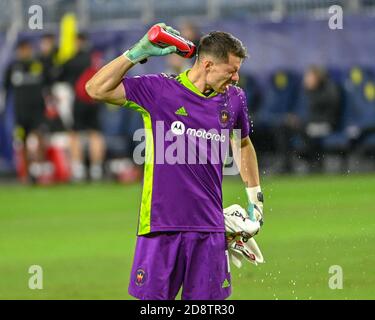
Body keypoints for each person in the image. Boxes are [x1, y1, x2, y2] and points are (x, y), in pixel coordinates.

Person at [86, 23, 264, 300]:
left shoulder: (234, 99)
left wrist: (255, 199)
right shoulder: (160, 90)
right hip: (160, 227)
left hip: (208, 228)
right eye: (231, 71)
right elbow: (96, 89)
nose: (236, 78)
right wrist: (136, 53)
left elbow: (242, 144)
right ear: (207, 65)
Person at [60, 33, 106, 181]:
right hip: (95, 99)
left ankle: (78, 168)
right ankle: (96, 169)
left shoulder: (73, 60)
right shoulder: (95, 59)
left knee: (74, 134)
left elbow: (58, 76)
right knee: (95, 133)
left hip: (79, 100)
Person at [3, 39, 49, 183]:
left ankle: (41, 170)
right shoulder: (13, 67)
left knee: (39, 138)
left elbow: (48, 85)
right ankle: (26, 174)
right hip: (20, 112)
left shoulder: (38, 65)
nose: (25, 52)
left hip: (37, 111)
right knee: (21, 142)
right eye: (22, 49)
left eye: (27, 48)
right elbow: (5, 89)